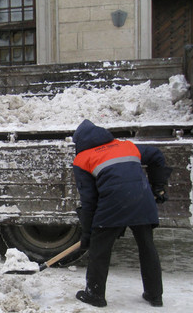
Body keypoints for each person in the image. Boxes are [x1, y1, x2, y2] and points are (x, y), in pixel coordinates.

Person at [71, 119, 172, 308]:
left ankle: (95, 295)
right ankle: (154, 295)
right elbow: (157, 155)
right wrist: (158, 186)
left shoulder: (83, 159)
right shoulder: (127, 145)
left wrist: (88, 234)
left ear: (80, 142)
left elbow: (89, 200)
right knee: (147, 247)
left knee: (99, 249)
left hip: (113, 204)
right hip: (143, 200)